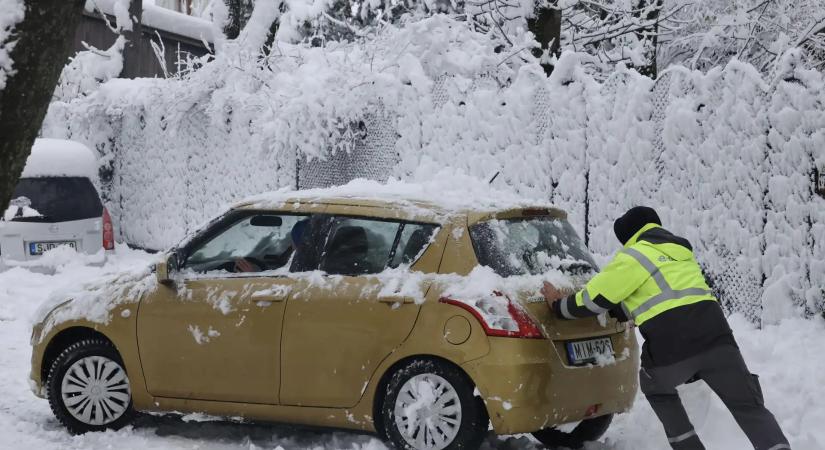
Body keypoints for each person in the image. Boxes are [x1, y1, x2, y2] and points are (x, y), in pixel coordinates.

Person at [540, 206, 790, 450]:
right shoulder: (681, 252)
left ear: (628, 236)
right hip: (720, 341)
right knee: (749, 406)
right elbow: (657, 296)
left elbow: (595, 299)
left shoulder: (634, 256)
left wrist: (560, 305)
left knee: (654, 386)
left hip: (672, 349)